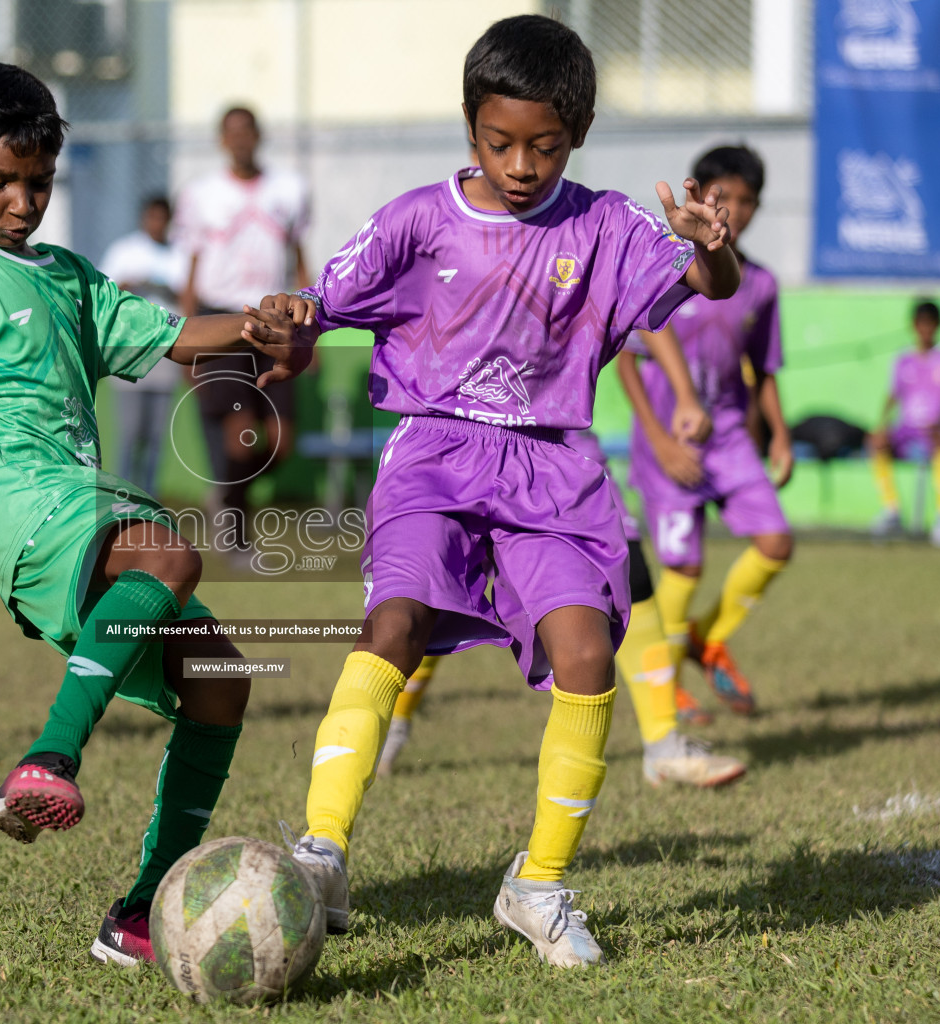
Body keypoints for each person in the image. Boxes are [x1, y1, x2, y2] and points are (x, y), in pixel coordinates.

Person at [0, 64, 315, 967]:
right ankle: (48, 759)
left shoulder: (70, 278)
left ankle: (138, 918)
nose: (20, 202)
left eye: (37, 182)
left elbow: (171, 336)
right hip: (22, 503)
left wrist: (259, 322)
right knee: (167, 553)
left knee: (220, 683)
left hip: (79, 504)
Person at [286, 14, 740, 968]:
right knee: (393, 628)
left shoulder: (606, 225)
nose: (522, 164)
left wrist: (712, 247)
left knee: (583, 654)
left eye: (544, 144)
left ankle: (538, 886)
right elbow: (320, 306)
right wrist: (290, 323)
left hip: (553, 467)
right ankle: (321, 851)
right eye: (499, 143)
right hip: (437, 454)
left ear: (576, 133)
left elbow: (709, 282)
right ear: (468, 124)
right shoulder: (417, 219)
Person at [377, 428, 746, 790]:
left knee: (633, 580)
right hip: (470, 445)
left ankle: (664, 745)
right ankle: (392, 724)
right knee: (444, 595)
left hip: (566, 448)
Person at [617, 145, 792, 720]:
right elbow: (626, 358)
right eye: (724, 197)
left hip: (732, 438)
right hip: (669, 445)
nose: (734, 210)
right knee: (684, 568)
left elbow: (764, 369)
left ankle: (706, 638)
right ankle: (665, 693)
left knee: (775, 543)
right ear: (701, 196)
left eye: (746, 201)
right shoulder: (669, 271)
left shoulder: (760, 284)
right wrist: (660, 440)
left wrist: (782, 438)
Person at [176, 106, 309, 553]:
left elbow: (299, 255)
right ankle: (237, 535)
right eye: (231, 133)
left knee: (281, 443)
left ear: (258, 135)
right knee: (240, 433)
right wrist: (185, 332)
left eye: (247, 131)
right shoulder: (201, 194)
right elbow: (191, 267)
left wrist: (315, 324)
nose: (240, 140)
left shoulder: (289, 189)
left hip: (277, 319)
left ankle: (228, 495)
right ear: (221, 139)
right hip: (225, 319)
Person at [99, 195, 187, 493]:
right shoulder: (124, 251)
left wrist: (165, 289)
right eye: (152, 217)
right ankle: (122, 497)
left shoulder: (179, 253)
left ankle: (148, 497)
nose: (157, 224)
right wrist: (131, 284)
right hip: (130, 352)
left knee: (155, 436)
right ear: (143, 218)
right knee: (130, 432)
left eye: (163, 218)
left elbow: (188, 297)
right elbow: (106, 293)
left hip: (166, 352)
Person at [870, 299, 940, 547]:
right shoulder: (903, 360)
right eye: (921, 323)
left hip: (935, 429)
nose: (925, 329)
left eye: (930, 324)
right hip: (906, 429)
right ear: (913, 325)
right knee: (877, 443)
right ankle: (892, 511)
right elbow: (893, 395)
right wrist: (882, 425)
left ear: (938, 326)